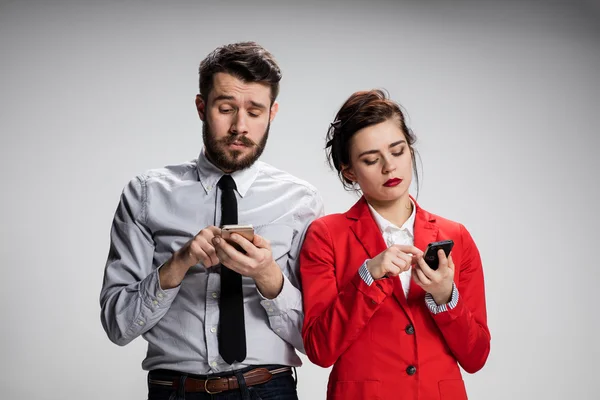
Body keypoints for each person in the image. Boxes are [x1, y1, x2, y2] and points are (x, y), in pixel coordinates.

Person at [100, 41, 323, 400]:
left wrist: (268, 276)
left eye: (255, 111)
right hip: (176, 391)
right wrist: (177, 265)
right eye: (225, 108)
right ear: (201, 107)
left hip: (270, 389)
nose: (240, 126)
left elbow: (317, 339)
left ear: (273, 113)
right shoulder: (145, 194)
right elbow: (117, 325)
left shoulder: (301, 201)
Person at [299, 89, 490, 400]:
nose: (389, 167)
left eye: (398, 151)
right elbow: (320, 350)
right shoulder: (326, 235)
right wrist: (367, 276)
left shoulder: (457, 235)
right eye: (371, 160)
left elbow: (476, 356)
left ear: (410, 151)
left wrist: (445, 297)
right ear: (349, 172)